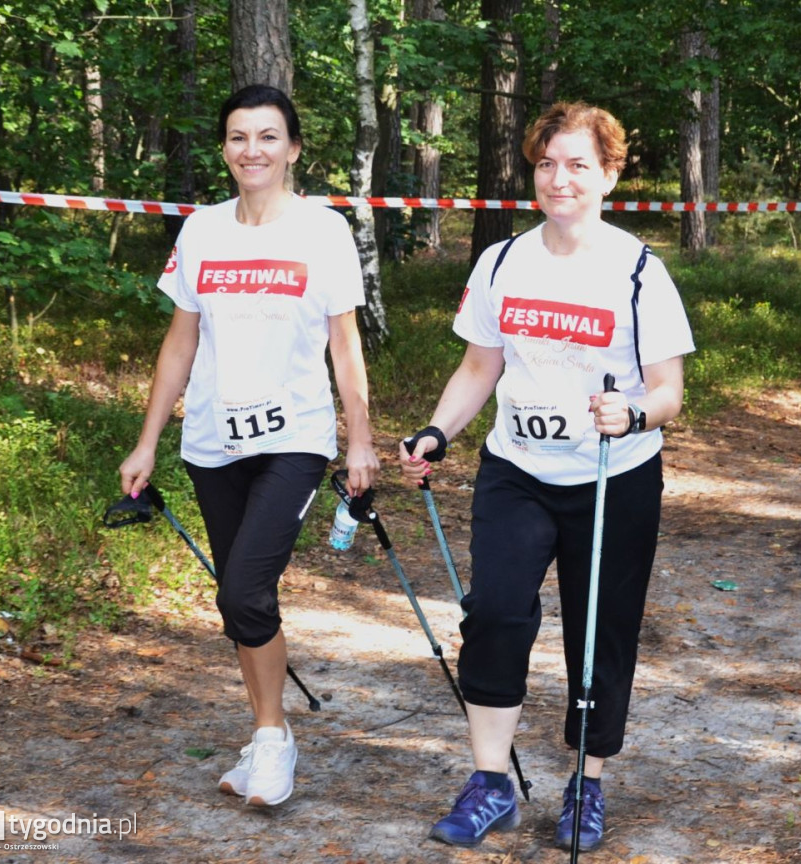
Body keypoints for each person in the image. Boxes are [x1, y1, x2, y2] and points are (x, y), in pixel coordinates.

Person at [399, 101, 695, 851]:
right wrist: (438, 431)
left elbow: (668, 392)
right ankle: (491, 782)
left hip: (612, 477)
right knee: (495, 611)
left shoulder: (638, 271)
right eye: (546, 163)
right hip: (518, 471)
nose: (559, 179)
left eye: (578, 165)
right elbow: (478, 367)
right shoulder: (502, 261)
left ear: (610, 175)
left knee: (601, 636)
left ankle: (586, 785)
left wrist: (631, 415)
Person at [119, 84, 380, 809]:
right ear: (225, 151)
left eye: (268, 137)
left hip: (294, 436)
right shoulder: (202, 231)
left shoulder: (323, 231)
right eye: (238, 137)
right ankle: (270, 735)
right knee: (238, 601)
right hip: (211, 439)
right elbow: (180, 340)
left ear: (293, 149)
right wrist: (147, 443)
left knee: (244, 589)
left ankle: (271, 743)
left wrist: (359, 440)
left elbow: (345, 345)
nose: (252, 150)